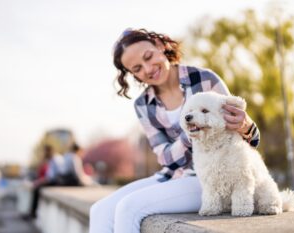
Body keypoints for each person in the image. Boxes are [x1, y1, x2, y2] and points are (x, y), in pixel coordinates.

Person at [89, 28, 260, 233]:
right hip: (172, 175)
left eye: (149, 57)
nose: (148, 69)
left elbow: (247, 140)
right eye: (137, 68)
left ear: (160, 46)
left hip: (212, 178)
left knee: (128, 208)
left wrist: (245, 125)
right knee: (99, 210)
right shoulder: (143, 104)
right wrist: (191, 134)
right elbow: (166, 158)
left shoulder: (205, 80)